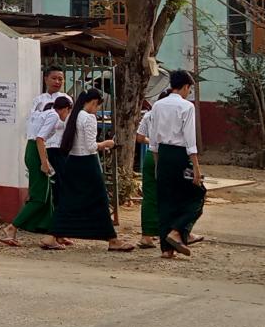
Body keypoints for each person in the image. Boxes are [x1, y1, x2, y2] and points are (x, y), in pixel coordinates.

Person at [47, 89, 136, 252]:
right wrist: (107, 144)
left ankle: (53, 235)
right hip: (88, 163)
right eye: (98, 106)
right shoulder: (88, 118)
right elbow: (91, 146)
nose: (97, 109)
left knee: (68, 200)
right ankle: (112, 239)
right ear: (94, 102)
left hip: (72, 162)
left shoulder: (72, 116)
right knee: (100, 200)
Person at [0, 67, 67, 247]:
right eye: (54, 78)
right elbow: (39, 138)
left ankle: (53, 232)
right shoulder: (47, 110)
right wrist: (44, 162)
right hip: (40, 150)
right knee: (40, 196)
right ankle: (12, 227)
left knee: (49, 195)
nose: (57, 82)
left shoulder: (50, 108)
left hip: (44, 149)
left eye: (60, 79)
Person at [147, 70, 205, 258]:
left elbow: (153, 139)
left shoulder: (157, 105)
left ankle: (166, 249)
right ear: (186, 86)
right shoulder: (186, 107)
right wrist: (196, 167)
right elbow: (190, 140)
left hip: (163, 154)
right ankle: (178, 230)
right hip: (180, 156)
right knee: (197, 193)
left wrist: (157, 164)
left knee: (166, 199)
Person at [135, 95, 162, 249]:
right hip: (166, 155)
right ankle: (169, 232)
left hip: (150, 155)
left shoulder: (148, 115)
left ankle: (147, 235)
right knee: (169, 195)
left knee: (149, 196)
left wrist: (151, 142)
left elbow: (139, 138)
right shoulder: (173, 113)